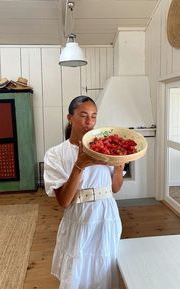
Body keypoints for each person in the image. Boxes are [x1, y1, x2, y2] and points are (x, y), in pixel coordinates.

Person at [44, 95, 125, 289]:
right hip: (79, 217)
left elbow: (115, 188)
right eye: (83, 115)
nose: (89, 122)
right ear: (69, 118)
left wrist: (119, 165)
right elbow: (63, 201)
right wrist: (79, 165)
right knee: (77, 272)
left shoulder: (105, 149)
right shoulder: (56, 154)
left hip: (107, 216)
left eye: (94, 116)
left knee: (104, 271)